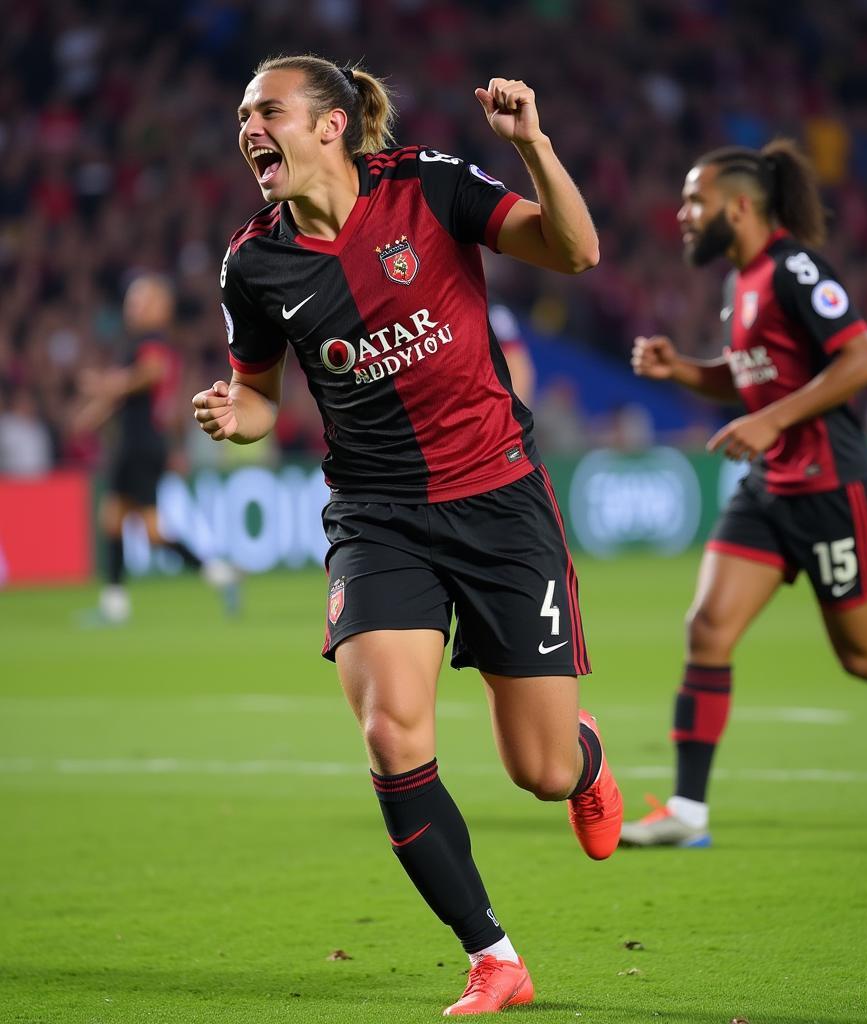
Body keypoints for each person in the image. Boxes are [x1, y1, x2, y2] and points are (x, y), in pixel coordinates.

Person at [191, 55, 622, 1016]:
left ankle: (584, 757)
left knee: (540, 770)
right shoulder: (251, 263)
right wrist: (236, 415)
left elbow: (576, 252)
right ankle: (494, 955)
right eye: (241, 115)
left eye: (268, 110)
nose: (249, 128)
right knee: (391, 732)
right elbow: (262, 397)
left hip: (500, 498)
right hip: (377, 517)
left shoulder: (428, 186)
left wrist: (533, 148)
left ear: (332, 124)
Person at [623, 140, 867, 849]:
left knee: (863, 656)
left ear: (739, 206)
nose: (683, 214)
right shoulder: (738, 281)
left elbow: (863, 358)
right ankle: (688, 811)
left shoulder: (794, 269)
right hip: (770, 484)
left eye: (695, 200)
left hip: (831, 486)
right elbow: (749, 378)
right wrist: (684, 369)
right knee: (707, 629)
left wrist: (770, 418)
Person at [75, 273, 239, 624]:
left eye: (141, 301)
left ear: (161, 308)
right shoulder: (148, 342)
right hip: (146, 441)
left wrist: (106, 385)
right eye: (132, 301)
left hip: (137, 443)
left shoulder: (152, 342)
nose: (132, 307)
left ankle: (115, 605)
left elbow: (149, 374)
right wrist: (96, 411)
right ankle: (219, 574)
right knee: (146, 529)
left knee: (118, 519)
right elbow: (134, 394)